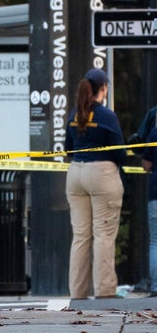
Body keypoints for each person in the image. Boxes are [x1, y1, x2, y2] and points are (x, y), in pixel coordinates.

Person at [64, 68, 126, 299]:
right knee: (103, 235)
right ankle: (105, 291)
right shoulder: (107, 116)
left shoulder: (74, 113)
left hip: (76, 174)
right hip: (101, 174)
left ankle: (77, 292)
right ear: (103, 88)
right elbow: (118, 151)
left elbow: (68, 148)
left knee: (80, 236)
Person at [141, 128, 157, 297]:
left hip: (155, 190)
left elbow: (146, 165)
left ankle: (156, 287)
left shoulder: (154, 133)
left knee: (155, 242)